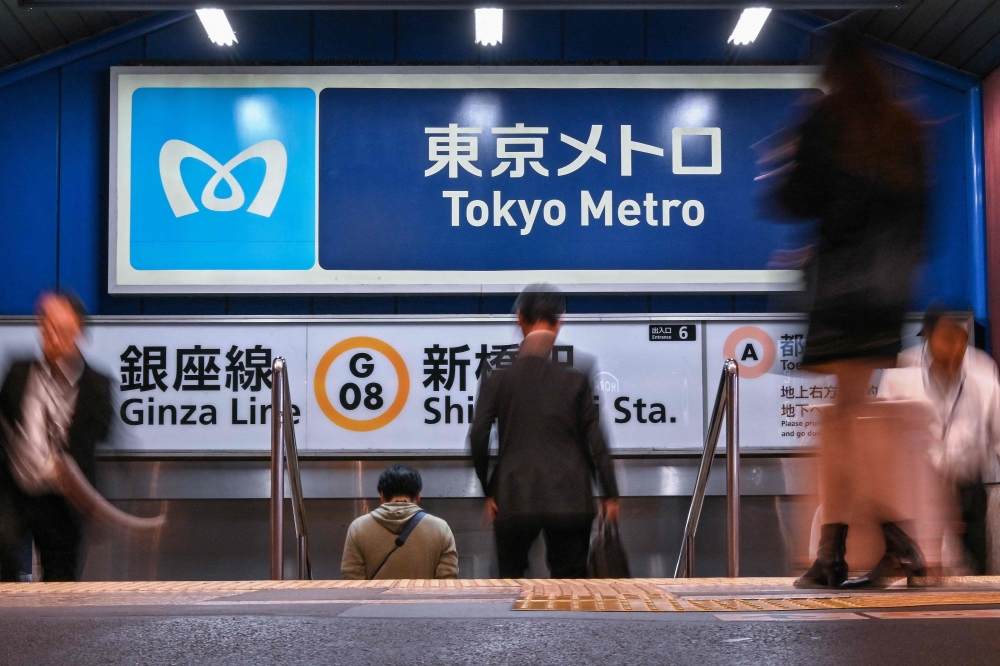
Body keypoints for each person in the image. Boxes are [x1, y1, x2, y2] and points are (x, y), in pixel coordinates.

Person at [773, 30, 929, 588]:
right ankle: (881, 548)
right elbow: (922, 228)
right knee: (844, 420)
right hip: (887, 297)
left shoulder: (828, 118)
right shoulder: (904, 126)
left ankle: (850, 553)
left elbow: (792, 198)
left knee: (837, 427)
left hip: (839, 294)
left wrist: (786, 158)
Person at [469, 285, 619, 579]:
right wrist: (610, 494)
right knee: (572, 584)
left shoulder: (496, 374)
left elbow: (478, 434)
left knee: (510, 580)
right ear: (560, 320)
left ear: (520, 318)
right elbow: (595, 438)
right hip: (571, 497)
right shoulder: (578, 373)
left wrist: (490, 489)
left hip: (513, 495)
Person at [878, 308, 1000, 577]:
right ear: (929, 336)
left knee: (979, 560)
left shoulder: (981, 368)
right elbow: (886, 431)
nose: (955, 347)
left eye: (961, 338)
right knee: (917, 563)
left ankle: (982, 616)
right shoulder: (903, 369)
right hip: (916, 484)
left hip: (967, 480)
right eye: (947, 337)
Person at [0, 292, 113, 581]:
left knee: (60, 579)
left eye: (60, 328)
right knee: (4, 552)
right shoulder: (18, 372)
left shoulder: (96, 386)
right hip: (14, 491)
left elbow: (103, 432)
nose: (51, 335)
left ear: (78, 332)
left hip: (64, 497)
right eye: (46, 326)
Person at [341, 464, 458, 580]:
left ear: (382, 496)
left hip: (375, 599)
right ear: (418, 496)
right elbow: (447, 581)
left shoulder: (358, 527)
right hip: (425, 599)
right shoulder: (440, 528)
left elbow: (352, 580)